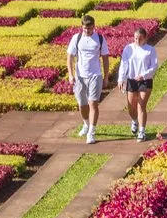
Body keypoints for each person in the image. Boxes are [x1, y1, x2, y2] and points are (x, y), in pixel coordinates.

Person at [66, 12, 108, 143]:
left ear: (94, 27)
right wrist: (71, 74)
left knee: (93, 103)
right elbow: (70, 57)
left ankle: (91, 132)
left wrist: (106, 77)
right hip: (80, 76)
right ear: (82, 27)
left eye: (89, 29)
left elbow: (105, 58)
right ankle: (86, 124)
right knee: (82, 104)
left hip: (95, 75)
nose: (87, 31)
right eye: (85, 28)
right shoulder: (77, 38)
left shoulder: (100, 39)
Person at [117, 20, 160, 140]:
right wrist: (121, 79)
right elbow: (124, 64)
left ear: (145, 38)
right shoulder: (128, 49)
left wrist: (144, 75)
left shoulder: (150, 50)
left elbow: (154, 66)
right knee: (131, 107)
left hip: (145, 81)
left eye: (140, 39)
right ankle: (134, 120)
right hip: (131, 80)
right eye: (135, 38)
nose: (137, 41)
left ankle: (142, 131)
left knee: (141, 105)